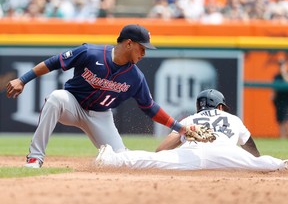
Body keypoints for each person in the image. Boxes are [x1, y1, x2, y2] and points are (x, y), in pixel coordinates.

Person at [6, 24, 191, 168]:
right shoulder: (90, 53)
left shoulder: (136, 77)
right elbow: (54, 62)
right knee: (56, 97)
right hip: (72, 105)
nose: (144, 53)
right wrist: (23, 80)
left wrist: (178, 127)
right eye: (142, 48)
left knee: (121, 159)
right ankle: (35, 158)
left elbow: (150, 107)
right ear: (128, 43)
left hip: (101, 116)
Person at [95, 89, 288, 171]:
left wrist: (183, 134)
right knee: (268, 164)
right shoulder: (232, 118)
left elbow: (160, 151)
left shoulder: (188, 119)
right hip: (227, 153)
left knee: (149, 160)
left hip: (190, 154)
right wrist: (255, 161)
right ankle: (283, 165)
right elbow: (249, 146)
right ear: (220, 107)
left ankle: (111, 158)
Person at [272, 59, 288, 138]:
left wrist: (284, 73)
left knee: (286, 120)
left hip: (286, 100)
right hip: (279, 100)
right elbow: (274, 88)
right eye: (280, 65)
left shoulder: (286, 74)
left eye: (283, 65)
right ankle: (282, 137)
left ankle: (285, 136)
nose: (281, 66)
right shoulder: (276, 76)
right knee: (281, 120)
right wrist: (273, 97)